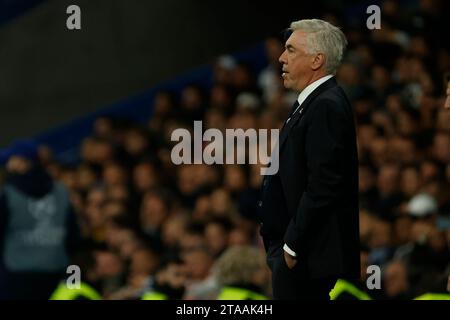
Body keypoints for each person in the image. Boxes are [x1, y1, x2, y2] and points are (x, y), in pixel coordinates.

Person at [258, 19, 360, 299]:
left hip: (308, 257)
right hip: (300, 255)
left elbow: (324, 183)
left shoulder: (326, 104)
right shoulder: (312, 102)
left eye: (291, 50)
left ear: (317, 60)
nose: (281, 57)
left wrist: (292, 245)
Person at [0, 139, 81, 299]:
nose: (8, 165)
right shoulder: (61, 191)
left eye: (11, 161)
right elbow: (73, 236)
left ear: (22, 162)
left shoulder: (8, 194)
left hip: (17, 273)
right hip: (55, 270)